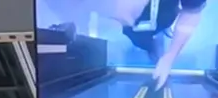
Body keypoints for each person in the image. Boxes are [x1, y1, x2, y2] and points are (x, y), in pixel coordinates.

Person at [44, 0, 206, 88]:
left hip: (162, 17)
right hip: (140, 33)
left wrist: (170, 57)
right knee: (142, 40)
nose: (126, 19)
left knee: (154, 45)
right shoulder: (126, 23)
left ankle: (157, 50)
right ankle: (153, 49)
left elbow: (192, 11)